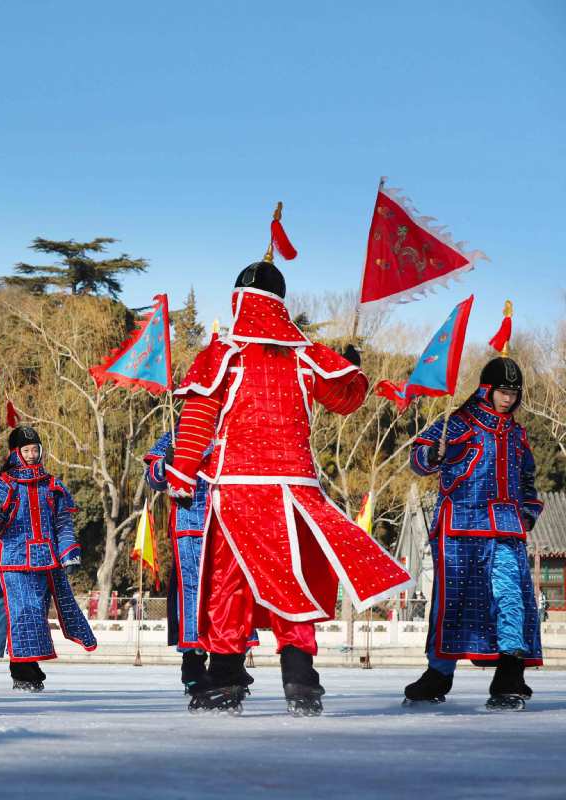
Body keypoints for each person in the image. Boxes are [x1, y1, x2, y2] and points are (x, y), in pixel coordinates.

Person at [159, 254, 411, 716]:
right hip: (296, 489)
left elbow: (196, 419)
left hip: (237, 487)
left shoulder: (225, 354)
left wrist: (180, 476)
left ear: (239, 301)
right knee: (293, 583)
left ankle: (225, 676)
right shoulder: (307, 356)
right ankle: (300, 678)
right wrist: (352, 365)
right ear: (279, 304)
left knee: (229, 586)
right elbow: (348, 399)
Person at [403, 355, 544, 710]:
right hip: (460, 527)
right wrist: (433, 455)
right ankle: (438, 673)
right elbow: (418, 461)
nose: (508, 399)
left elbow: (528, 480)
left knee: (512, 597)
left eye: (514, 392)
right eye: (502, 391)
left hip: (506, 528)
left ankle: (510, 674)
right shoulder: (458, 422)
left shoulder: (518, 434)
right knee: (452, 604)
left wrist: (527, 512)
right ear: (486, 389)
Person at [0, 426, 97, 692]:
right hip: (15, 561)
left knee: (37, 614)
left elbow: (63, 524)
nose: (31, 454)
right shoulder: (4, 484)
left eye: (35, 449)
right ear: (16, 453)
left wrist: (69, 553)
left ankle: (29, 667)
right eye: (26, 450)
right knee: (23, 613)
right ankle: (23, 671)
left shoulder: (52, 485)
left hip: (46, 562)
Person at [145, 431, 256, 697]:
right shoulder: (174, 436)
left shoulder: (233, 425)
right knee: (193, 596)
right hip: (190, 523)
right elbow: (152, 478)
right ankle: (193, 667)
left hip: (230, 521)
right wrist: (165, 466)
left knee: (233, 594)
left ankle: (232, 663)